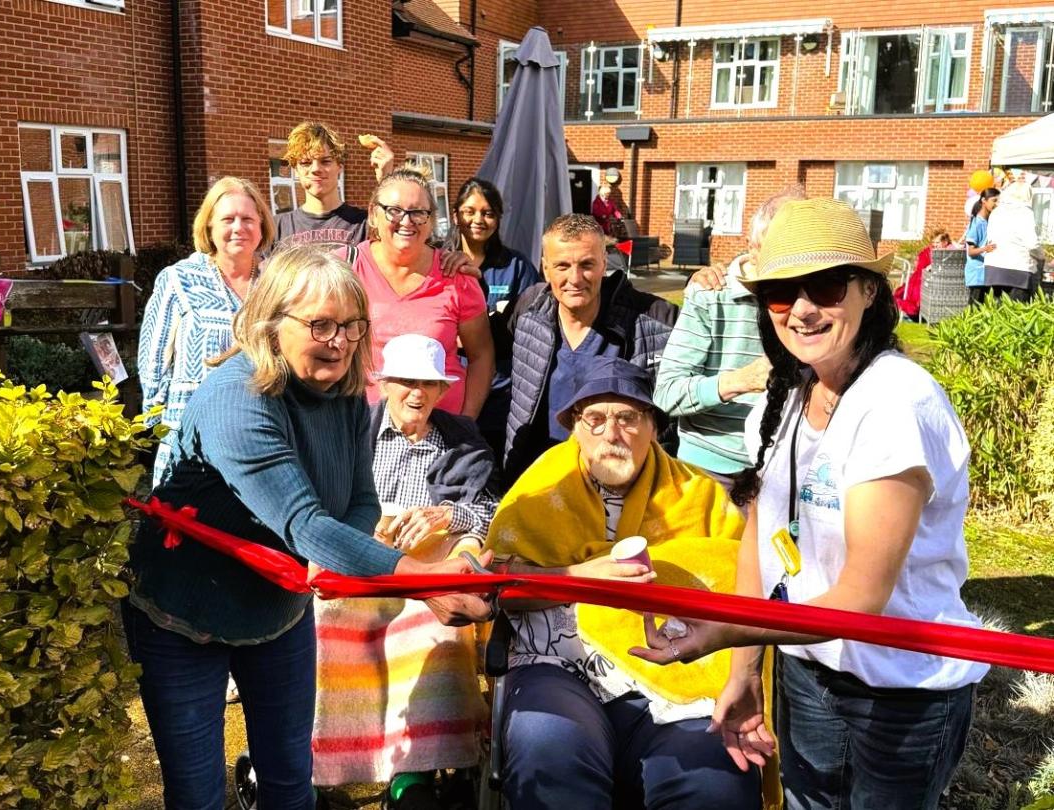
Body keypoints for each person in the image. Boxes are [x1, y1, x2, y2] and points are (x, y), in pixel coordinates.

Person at [631, 199, 987, 810]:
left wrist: (723, 632)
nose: (800, 309)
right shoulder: (788, 396)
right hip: (807, 671)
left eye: (823, 286)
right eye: (779, 292)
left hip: (898, 688)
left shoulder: (893, 403)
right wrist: (745, 672)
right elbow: (758, 543)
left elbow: (861, 599)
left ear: (869, 292)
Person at [124, 247, 494, 810]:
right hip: (184, 619)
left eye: (351, 326)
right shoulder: (236, 400)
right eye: (321, 324)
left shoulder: (343, 391)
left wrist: (334, 558)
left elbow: (360, 500)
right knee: (198, 795)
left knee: (292, 781)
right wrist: (423, 578)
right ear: (272, 323)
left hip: (278, 610)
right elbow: (305, 523)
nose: (340, 342)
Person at [483, 356, 763, 810]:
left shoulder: (700, 495)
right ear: (575, 427)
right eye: (595, 418)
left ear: (653, 425)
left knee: (717, 777)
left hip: (676, 674)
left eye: (628, 417)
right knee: (551, 753)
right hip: (558, 668)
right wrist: (578, 578)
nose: (611, 433)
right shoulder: (537, 492)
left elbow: (739, 581)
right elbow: (493, 587)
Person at [313, 333, 500, 810]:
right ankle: (324, 764)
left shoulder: (462, 438)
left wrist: (449, 516)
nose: (416, 394)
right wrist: (364, 525)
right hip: (359, 562)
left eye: (428, 384)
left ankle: (413, 772)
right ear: (384, 383)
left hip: (429, 564)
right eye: (405, 382)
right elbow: (320, 504)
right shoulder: (353, 429)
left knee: (431, 633)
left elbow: (493, 511)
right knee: (328, 624)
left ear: (442, 391)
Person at [504, 213, 676, 482]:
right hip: (536, 479)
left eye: (587, 264)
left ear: (604, 264)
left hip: (617, 484)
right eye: (562, 266)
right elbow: (478, 349)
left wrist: (707, 284)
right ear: (545, 268)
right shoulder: (527, 310)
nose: (575, 278)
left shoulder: (655, 318)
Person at [654, 188, 804, 487]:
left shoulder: (811, 299)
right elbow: (667, 394)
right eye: (778, 251)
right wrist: (740, 381)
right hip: (712, 471)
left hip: (790, 468)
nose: (787, 266)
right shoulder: (712, 294)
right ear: (753, 247)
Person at [139, 176, 275, 488]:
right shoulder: (179, 280)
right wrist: (156, 425)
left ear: (262, 226)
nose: (239, 227)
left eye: (248, 219)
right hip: (191, 435)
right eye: (228, 219)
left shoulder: (278, 282)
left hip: (260, 433)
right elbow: (153, 362)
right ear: (209, 227)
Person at [353, 164, 495, 418]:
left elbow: (481, 356)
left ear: (430, 221)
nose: (406, 222)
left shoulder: (456, 276)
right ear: (373, 215)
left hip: (441, 431)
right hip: (364, 431)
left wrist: (466, 420)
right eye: (393, 211)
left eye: (418, 212)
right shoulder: (346, 270)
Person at [447, 177, 541, 458]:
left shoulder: (517, 266)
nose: (479, 219)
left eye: (488, 213)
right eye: (470, 211)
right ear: (456, 215)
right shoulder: (439, 262)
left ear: (498, 218)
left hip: (501, 391)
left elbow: (532, 327)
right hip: (449, 389)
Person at [271, 121, 393, 250]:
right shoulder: (277, 228)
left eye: (325, 161)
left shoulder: (365, 224)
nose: (316, 169)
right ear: (296, 169)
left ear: (340, 166)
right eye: (306, 162)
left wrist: (387, 181)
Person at [985, 180, 1041, 302]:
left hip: (994, 268)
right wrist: (1041, 256)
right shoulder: (1025, 212)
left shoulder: (996, 211)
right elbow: (1032, 244)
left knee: (997, 312)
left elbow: (990, 238)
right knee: (1017, 313)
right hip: (1018, 268)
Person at [894, 227, 954, 321]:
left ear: (945, 242)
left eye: (937, 243)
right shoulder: (929, 252)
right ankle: (914, 311)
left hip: (938, 281)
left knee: (917, 287)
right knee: (914, 284)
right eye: (933, 243)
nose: (935, 245)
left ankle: (915, 311)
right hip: (928, 277)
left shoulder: (951, 252)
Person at [964, 187, 1000, 305]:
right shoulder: (976, 223)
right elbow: (971, 252)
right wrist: (986, 248)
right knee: (975, 309)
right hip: (976, 274)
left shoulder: (989, 222)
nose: (996, 204)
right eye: (994, 200)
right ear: (984, 200)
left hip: (986, 273)